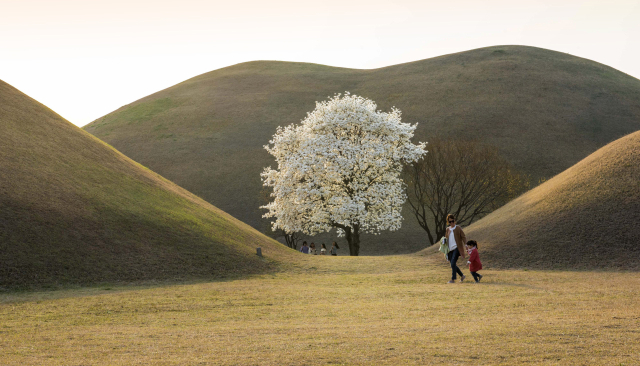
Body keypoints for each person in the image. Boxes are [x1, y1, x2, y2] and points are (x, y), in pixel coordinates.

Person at [445, 214, 467, 283]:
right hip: (450, 249)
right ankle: (462, 276)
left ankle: (453, 279)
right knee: (452, 264)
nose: (451, 222)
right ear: (448, 222)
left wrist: (465, 244)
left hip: (457, 248)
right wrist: (446, 237)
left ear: (454, 220)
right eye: (450, 221)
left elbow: (463, 236)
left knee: (453, 263)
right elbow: (446, 238)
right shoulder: (448, 229)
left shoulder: (458, 228)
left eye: (452, 221)